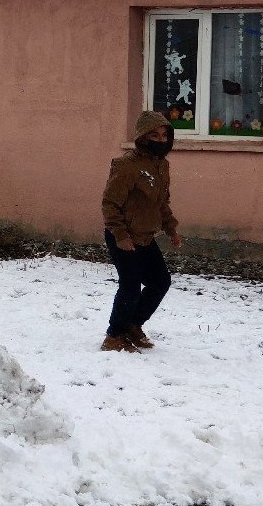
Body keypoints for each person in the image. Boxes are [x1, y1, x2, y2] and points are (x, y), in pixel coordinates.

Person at [100, 110, 182, 353]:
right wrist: (121, 236)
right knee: (131, 285)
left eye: (165, 135)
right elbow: (110, 204)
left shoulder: (161, 166)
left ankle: (133, 325)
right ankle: (114, 336)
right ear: (142, 137)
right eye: (154, 135)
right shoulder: (126, 165)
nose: (160, 140)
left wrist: (171, 229)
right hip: (124, 236)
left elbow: (161, 203)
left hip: (146, 236)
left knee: (160, 282)